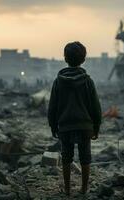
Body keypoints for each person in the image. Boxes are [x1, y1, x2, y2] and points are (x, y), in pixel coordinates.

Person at [48, 41, 102, 196]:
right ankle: (84, 189)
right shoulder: (88, 81)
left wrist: (53, 126)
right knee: (85, 157)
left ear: (65, 58)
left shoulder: (58, 82)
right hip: (85, 126)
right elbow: (95, 107)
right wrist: (96, 126)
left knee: (66, 157)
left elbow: (53, 106)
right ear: (83, 59)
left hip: (65, 126)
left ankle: (67, 190)